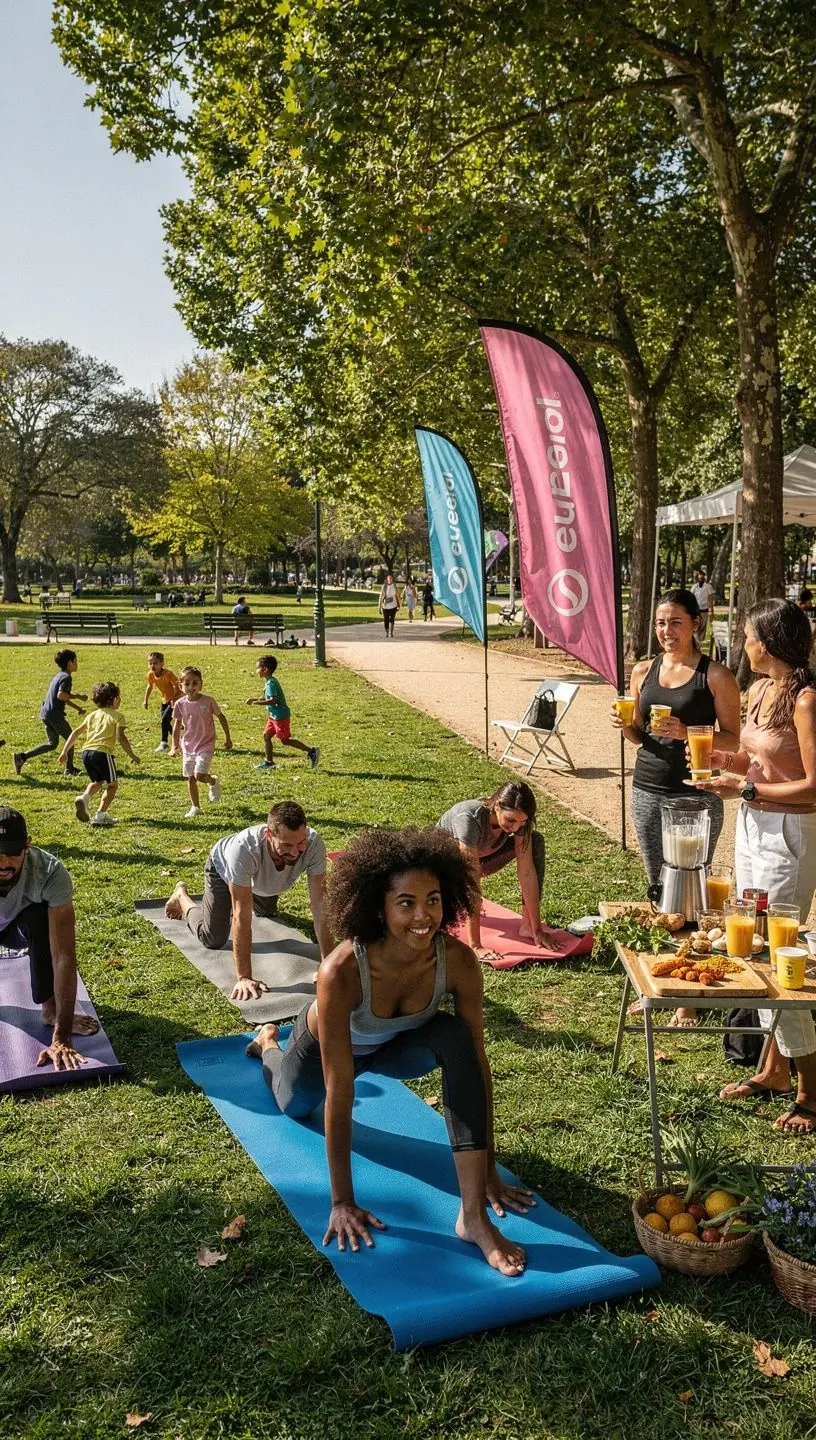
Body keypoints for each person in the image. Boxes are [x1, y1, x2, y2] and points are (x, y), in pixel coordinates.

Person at [246, 827, 534, 1274]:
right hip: (326, 1048)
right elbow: (339, 1090)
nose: (424, 916)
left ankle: (472, 1218)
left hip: (398, 1048)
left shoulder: (456, 960)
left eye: (433, 899)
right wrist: (342, 1201)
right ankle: (268, 1043)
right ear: (377, 907)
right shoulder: (340, 970)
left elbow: (476, 1066)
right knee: (292, 1104)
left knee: (457, 1039)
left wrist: (489, 1170)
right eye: (406, 903)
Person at [693, 599, 816, 1134]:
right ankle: (772, 1068)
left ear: (767, 642)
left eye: (746, 635)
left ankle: (811, 1090)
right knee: (750, 945)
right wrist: (727, 764)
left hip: (788, 834)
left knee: (777, 957)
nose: (741, 642)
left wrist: (745, 785)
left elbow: (813, 784)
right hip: (751, 825)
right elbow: (757, 759)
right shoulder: (762, 690)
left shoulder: (808, 700)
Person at [611, 590, 740, 1025]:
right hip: (647, 787)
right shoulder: (642, 671)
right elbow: (639, 736)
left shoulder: (715, 676)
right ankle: (659, 982)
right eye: (661, 623)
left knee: (693, 890)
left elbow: (733, 740)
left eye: (676, 623)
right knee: (657, 890)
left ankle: (690, 995)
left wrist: (688, 730)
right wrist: (628, 726)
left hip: (695, 797)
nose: (666, 631)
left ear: (696, 624)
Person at [164, 800, 333, 999]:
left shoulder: (314, 843)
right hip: (224, 871)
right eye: (287, 845)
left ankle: (251, 890)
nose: (295, 851)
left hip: (261, 881)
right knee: (213, 938)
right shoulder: (243, 849)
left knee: (266, 912)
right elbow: (241, 916)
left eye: (300, 842)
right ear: (269, 835)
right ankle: (182, 899)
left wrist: (328, 965)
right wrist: (244, 977)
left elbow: (320, 906)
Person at [0, 807, 99, 1069]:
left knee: (39, 917)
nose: (3, 863)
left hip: (17, 928)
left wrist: (62, 1037)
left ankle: (51, 1011)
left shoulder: (50, 872)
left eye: (12, 854)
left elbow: (63, 957)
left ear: (27, 846)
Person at [438, 781, 548, 962]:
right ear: (497, 805)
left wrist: (537, 929)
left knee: (535, 841)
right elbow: (470, 878)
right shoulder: (469, 817)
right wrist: (475, 946)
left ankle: (527, 925)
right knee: (454, 900)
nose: (515, 827)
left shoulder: (520, 823)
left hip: (481, 860)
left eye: (522, 821)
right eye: (511, 820)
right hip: (444, 869)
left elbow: (526, 872)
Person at [58, 681, 140, 827]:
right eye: (119, 697)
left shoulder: (92, 715)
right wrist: (132, 755)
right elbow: (121, 738)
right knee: (113, 785)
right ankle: (101, 814)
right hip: (102, 753)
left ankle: (84, 798)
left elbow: (76, 732)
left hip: (86, 753)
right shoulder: (118, 716)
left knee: (97, 782)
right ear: (114, 699)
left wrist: (65, 751)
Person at [170, 665, 232, 819]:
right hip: (188, 745)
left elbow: (221, 717)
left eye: (195, 683)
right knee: (190, 777)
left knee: (199, 775)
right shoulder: (180, 704)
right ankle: (195, 806)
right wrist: (174, 745)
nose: (191, 687)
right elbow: (177, 725)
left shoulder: (208, 701)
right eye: (187, 684)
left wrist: (228, 738)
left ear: (201, 684)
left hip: (206, 743)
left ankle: (212, 781)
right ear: (181, 685)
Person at [14, 649, 87, 778]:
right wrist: (77, 696)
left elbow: (60, 698)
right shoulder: (66, 678)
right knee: (71, 738)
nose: (77, 664)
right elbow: (61, 695)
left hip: (46, 713)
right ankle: (69, 769)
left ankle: (22, 757)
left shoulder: (58, 676)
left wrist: (78, 708)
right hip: (54, 715)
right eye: (76, 661)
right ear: (70, 663)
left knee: (52, 744)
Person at [246, 655, 320, 771]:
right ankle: (269, 762)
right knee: (266, 736)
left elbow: (273, 700)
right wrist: (256, 699)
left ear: (265, 669)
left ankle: (312, 752)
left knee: (285, 741)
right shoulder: (270, 681)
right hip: (273, 716)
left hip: (280, 717)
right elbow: (269, 697)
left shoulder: (271, 683)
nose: (256, 671)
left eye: (258, 668)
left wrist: (256, 703)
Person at [142, 651, 182, 753]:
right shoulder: (151, 675)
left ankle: (164, 743)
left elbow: (176, 685)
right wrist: (145, 700)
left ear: (162, 664)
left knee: (164, 721)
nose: (152, 666)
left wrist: (173, 698)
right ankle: (178, 739)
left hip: (175, 700)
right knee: (165, 722)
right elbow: (150, 686)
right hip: (165, 700)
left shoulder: (168, 674)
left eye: (155, 663)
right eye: (150, 663)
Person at [691, 570, 715, 642]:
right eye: (700, 577)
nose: (701, 578)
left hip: (705, 610)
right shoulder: (694, 587)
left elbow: (710, 599)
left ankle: (700, 641)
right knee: (696, 626)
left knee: (703, 627)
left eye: (702, 577)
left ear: (705, 578)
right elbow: (691, 597)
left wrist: (712, 611)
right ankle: (696, 641)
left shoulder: (708, 587)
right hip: (696, 610)